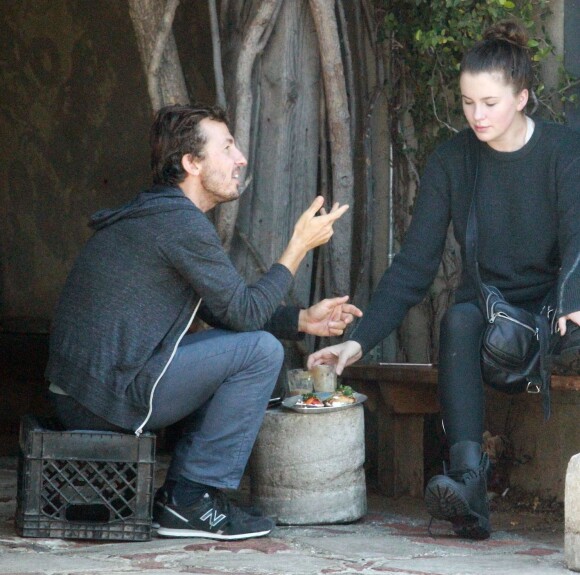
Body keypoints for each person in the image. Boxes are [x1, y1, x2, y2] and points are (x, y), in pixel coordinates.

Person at [308, 20, 580, 540]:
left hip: (559, 313)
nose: (477, 115)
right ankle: (468, 487)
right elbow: (414, 267)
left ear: (522, 97)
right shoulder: (453, 161)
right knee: (458, 318)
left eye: (490, 102)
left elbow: (579, 238)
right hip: (491, 318)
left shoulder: (565, 152)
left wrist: (572, 295)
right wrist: (356, 345)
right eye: (467, 102)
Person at [45, 103, 362, 541]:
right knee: (260, 352)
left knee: (248, 343)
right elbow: (245, 314)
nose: (241, 159)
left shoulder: (163, 214)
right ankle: (190, 500)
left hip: (87, 391)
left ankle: (184, 496)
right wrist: (297, 246)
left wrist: (302, 320)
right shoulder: (179, 223)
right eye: (228, 147)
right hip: (105, 398)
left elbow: (224, 310)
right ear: (192, 163)